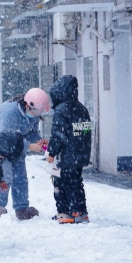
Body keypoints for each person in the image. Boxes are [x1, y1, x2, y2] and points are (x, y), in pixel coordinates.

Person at [0, 88, 51, 220]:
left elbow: (31, 132)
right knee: (6, 176)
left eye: (40, 112)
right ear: (27, 105)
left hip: (16, 147)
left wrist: (38, 141)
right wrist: (29, 146)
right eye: (36, 111)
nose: (37, 115)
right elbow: (7, 137)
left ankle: (22, 209)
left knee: (20, 178)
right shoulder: (10, 112)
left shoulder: (33, 114)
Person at [46, 75, 92, 224]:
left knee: (62, 183)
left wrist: (52, 152)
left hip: (66, 155)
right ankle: (80, 211)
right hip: (81, 154)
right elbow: (85, 132)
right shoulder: (82, 109)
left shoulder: (61, 110)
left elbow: (57, 134)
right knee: (76, 182)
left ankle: (66, 213)